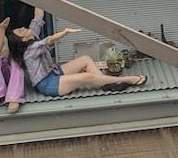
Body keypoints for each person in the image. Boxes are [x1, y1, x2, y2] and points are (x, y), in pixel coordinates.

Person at [8, 8, 147, 97]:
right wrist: (65, 32)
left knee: (85, 59)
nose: (22, 27)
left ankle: (107, 85)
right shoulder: (29, 51)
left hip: (54, 72)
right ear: (23, 39)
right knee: (87, 77)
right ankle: (128, 80)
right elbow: (48, 40)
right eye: (20, 31)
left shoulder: (32, 34)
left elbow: (38, 16)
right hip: (48, 84)